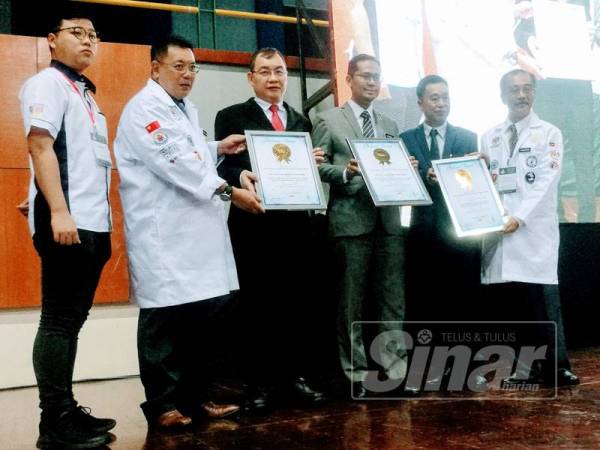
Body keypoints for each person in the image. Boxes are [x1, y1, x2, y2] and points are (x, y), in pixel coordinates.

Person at [113, 36, 264, 429]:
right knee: (164, 321)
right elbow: (175, 162)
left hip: (195, 233)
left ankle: (199, 398)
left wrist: (216, 147)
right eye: (178, 66)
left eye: (193, 67)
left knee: (203, 319)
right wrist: (231, 191)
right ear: (155, 68)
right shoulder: (145, 109)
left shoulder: (183, 109)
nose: (187, 75)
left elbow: (190, 150)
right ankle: (163, 406)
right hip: (163, 233)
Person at [19, 10, 116, 449]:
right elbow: (40, 145)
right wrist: (55, 209)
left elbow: (71, 157)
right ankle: (53, 421)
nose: (88, 41)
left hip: (92, 221)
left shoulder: (86, 94)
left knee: (71, 322)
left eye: (93, 35)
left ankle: (67, 407)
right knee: (58, 322)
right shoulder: (47, 84)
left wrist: (39, 195)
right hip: (69, 222)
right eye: (76, 33)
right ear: (52, 39)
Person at [214, 47, 325, 412]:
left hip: (295, 227)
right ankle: (257, 383)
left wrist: (309, 165)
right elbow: (223, 170)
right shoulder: (231, 115)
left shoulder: (300, 120)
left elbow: (303, 173)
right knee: (256, 306)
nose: (273, 78)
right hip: (254, 226)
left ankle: (294, 378)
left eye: (279, 71)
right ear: (251, 77)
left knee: (296, 304)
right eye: (265, 71)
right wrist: (239, 176)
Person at [312, 54, 414, 398]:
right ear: (350, 79)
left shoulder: (389, 124)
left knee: (392, 301)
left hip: (388, 222)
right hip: (350, 221)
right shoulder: (328, 120)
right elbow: (315, 168)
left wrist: (407, 167)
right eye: (365, 76)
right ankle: (355, 374)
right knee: (350, 303)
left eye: (377, 77)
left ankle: (395, 370)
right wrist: (346, 172)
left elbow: (394, 169)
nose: (372, 82)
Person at [480, 69, 579, 387]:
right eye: (514, 90)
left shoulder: (549, 133)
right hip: (499, 229)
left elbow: (546, 182)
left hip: (532, 229)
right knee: (516, 301)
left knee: (544, 297)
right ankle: (526, 368)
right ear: (502, 95)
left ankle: (557, 366)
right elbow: (486, 183)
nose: (521, 95)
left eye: (527, 89)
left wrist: (519, 217)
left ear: (534, 93)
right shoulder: (490, 136)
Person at [400, 75, 481, 321]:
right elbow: (401, 184)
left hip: (459, 231)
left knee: (461, 296)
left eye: (445, 97)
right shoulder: (405, 139)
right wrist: (424, 177)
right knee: (424, 297)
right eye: (434, 98)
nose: (441, 103)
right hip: (420, 231)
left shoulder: (468, 137)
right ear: (420, 103)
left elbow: (474, 185)